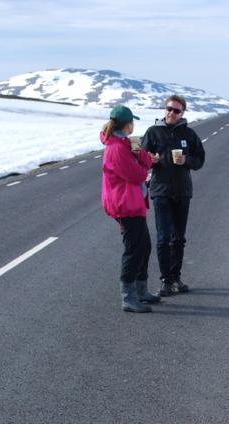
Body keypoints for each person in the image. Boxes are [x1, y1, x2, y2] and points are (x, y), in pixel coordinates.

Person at [141, 95, 205, 296]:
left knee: (178, 238)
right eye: (169, 109)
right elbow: (141, 159)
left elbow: (200, 160)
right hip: (161, 191)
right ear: (164, 110)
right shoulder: (153, 132)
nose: (171, 113)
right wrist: (151, 160)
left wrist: (186, 160)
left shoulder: (189, 133)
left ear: (182, 113)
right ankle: (165, 281)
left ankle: (176, 278)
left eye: (176, 110)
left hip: (183, 191)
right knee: (163, 238)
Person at [100, 105, 161, 313]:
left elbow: (145, 161)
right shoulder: (117, 148)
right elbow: (137, 176)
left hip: (133, 203)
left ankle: (140, 290)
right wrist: (144, 165)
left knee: (144, 247)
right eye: (132, 122)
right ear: (127, 125)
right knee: (134, 250)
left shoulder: (125, 144)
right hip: (124, 205)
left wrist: (140, 155)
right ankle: (128, 296)